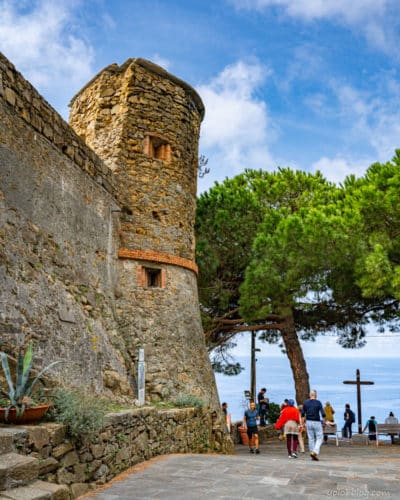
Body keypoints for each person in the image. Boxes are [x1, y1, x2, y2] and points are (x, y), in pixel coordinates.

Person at [301, 389, 325, 461]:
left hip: (308, 422)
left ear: (309, 395)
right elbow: (323, 413)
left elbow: (302, 414)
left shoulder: (305, 403)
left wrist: (303, 424)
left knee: (311, 438)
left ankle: (312, 452)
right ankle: (315, 451)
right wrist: (324, 421)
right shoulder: (318, 402)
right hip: (316, 422)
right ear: (316, 395)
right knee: (320, 437)